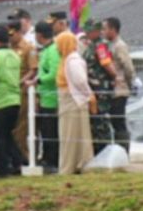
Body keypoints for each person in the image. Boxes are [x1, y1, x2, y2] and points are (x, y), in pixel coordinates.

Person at [0, 23, 25, 176]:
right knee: (8, 135)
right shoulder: (15, 55)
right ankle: (18, 161)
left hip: (0, 100)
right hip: (15, 98)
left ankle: (3, 168)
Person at [56, 31, 94, 174]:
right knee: (67, 135)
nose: (57, 48)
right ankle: (71, 165)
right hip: (67, 100)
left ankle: (71, 166)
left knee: (71, 136)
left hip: (73, 101)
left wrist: (87, 94)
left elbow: (80, 80)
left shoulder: (73, 61)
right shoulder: (66, 59)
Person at [80, 19, 115, 154]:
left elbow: (107, 64)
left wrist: (114, 77)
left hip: (100, 89)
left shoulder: (100, 46)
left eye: (89, 31)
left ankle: (104, 150)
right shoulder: (92, 45)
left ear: (95, 31)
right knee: (94, 122)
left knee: (101, 121)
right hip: (93, 88)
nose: (86, 33)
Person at [102, 17, 136, 153]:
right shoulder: (108, 44)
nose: (103, 32)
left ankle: (123, 151)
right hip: (111, 89)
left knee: (118, 122)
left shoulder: (119, 45)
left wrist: (130, 81)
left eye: (105, 29)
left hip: (119, 89)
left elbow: (128, 66)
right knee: (113, 122)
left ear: (113, 30)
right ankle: (116, 151)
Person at [12, 17, 42, 162]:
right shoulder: (9, 48)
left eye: (13, 34)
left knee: (24, 128)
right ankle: (18, 158)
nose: (11, 38)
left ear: (19, 32)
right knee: (14, 127)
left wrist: (20, 82)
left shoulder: (29, 48)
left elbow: (33, 70)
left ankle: (26, 158)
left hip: (24, 93)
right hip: (11, 94)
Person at [35, 21, 61, 172]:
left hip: (51, 97)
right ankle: (47, 158)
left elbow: (53, 73)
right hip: (44, 96)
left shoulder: (52, 51)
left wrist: (39, 80)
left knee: (51, 131)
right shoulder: (45, 50)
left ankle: (53, 160)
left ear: (39, 35)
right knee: (45, 130)